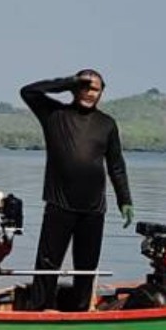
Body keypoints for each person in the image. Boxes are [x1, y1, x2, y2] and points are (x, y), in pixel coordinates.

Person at [20, 69, 134, 311]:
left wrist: (124, 200)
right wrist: (68, 81)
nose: (90, 93)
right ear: (74, 89)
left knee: (86, 268)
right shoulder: (54, 115)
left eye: (95, 89)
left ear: (102, 93)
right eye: (84, 86)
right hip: (59, 204)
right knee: (47, 265)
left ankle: (80, 312)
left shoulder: (107, 124)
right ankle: (38, 310)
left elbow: (116, 166)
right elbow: (28, 92)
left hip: (93, 210)